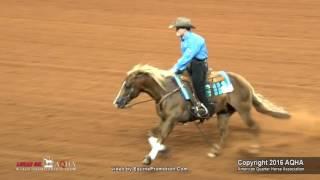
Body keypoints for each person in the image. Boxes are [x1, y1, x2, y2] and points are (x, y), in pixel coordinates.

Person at [169, 17, 213, 118]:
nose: (176, 30)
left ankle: (207, 109)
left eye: (178, 28)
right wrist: (178, 69)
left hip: (199, 66)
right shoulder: (184, 38)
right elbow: (187, 58)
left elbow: (187, 56)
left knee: (198, 86)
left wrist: (175, 68)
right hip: (190, 64)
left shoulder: (196, 40)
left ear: (185, 28)